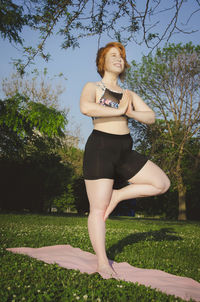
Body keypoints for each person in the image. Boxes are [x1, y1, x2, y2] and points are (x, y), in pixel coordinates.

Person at [80, 42, 170, 277]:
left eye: (121, 56)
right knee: (98, 210)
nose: (119, 59)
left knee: (162, 183)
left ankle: (118, 195)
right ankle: (102, 262)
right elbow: (86, 107)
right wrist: (118, 111)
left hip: (125, 149)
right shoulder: (94, 86)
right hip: (100, 147)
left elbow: (150, 117)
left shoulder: (128, 94)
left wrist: (129, 112)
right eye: (113, 55)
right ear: (103, 61)